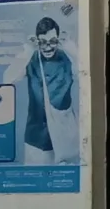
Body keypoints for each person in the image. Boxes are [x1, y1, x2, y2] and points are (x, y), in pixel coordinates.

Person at [8, 16, 76, 166]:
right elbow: (8, 79)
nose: (48, 47)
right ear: (37, 41)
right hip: (36, 141)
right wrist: (28, 51)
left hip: (63, 139)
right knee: (34, 186)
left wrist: (71, 48)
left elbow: (89, 73)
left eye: (52, 41)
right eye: (43, 42)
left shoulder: (69, 59)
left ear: (58, 39)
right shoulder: (31, 59)